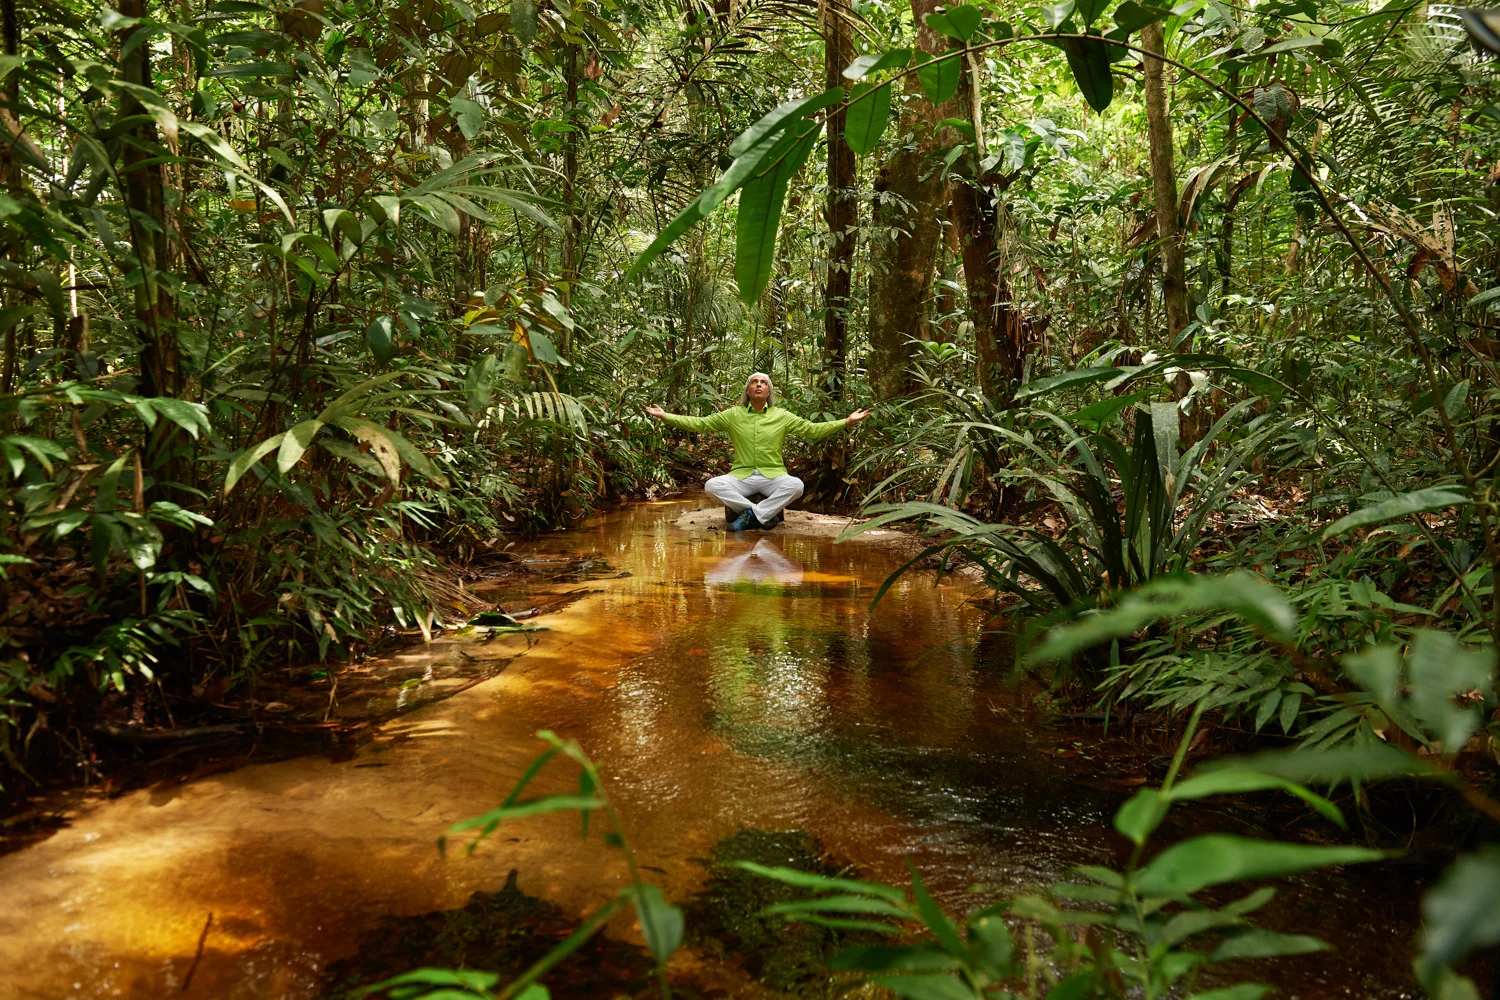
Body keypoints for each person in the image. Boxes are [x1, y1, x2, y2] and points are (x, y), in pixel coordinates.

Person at [645, 373, 871, 531]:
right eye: (754, 382)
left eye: (764, 382)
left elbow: (812, 430)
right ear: (748, 390)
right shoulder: (733, 414)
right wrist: (666, 416)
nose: (759, 385)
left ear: (769, 390)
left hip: (773, 475)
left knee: (796, 486)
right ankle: (761, 515)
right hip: (741, 476)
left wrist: (846, 421)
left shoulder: (781, 415)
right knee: (712, 486)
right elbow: (700, 423)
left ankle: (751, 516)